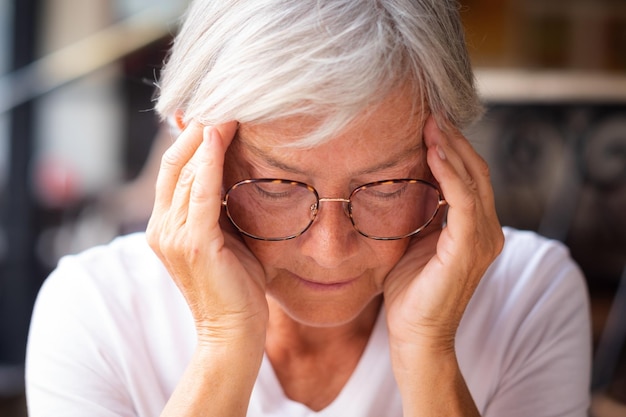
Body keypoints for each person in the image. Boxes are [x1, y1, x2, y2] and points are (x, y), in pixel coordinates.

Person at [25, 0, 591, 416]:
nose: (330, 250)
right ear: (193, 155)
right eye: (276, 185)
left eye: (388, 185)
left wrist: (430, 350)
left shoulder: (529, 296)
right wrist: (225, 344)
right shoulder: (94, 313)